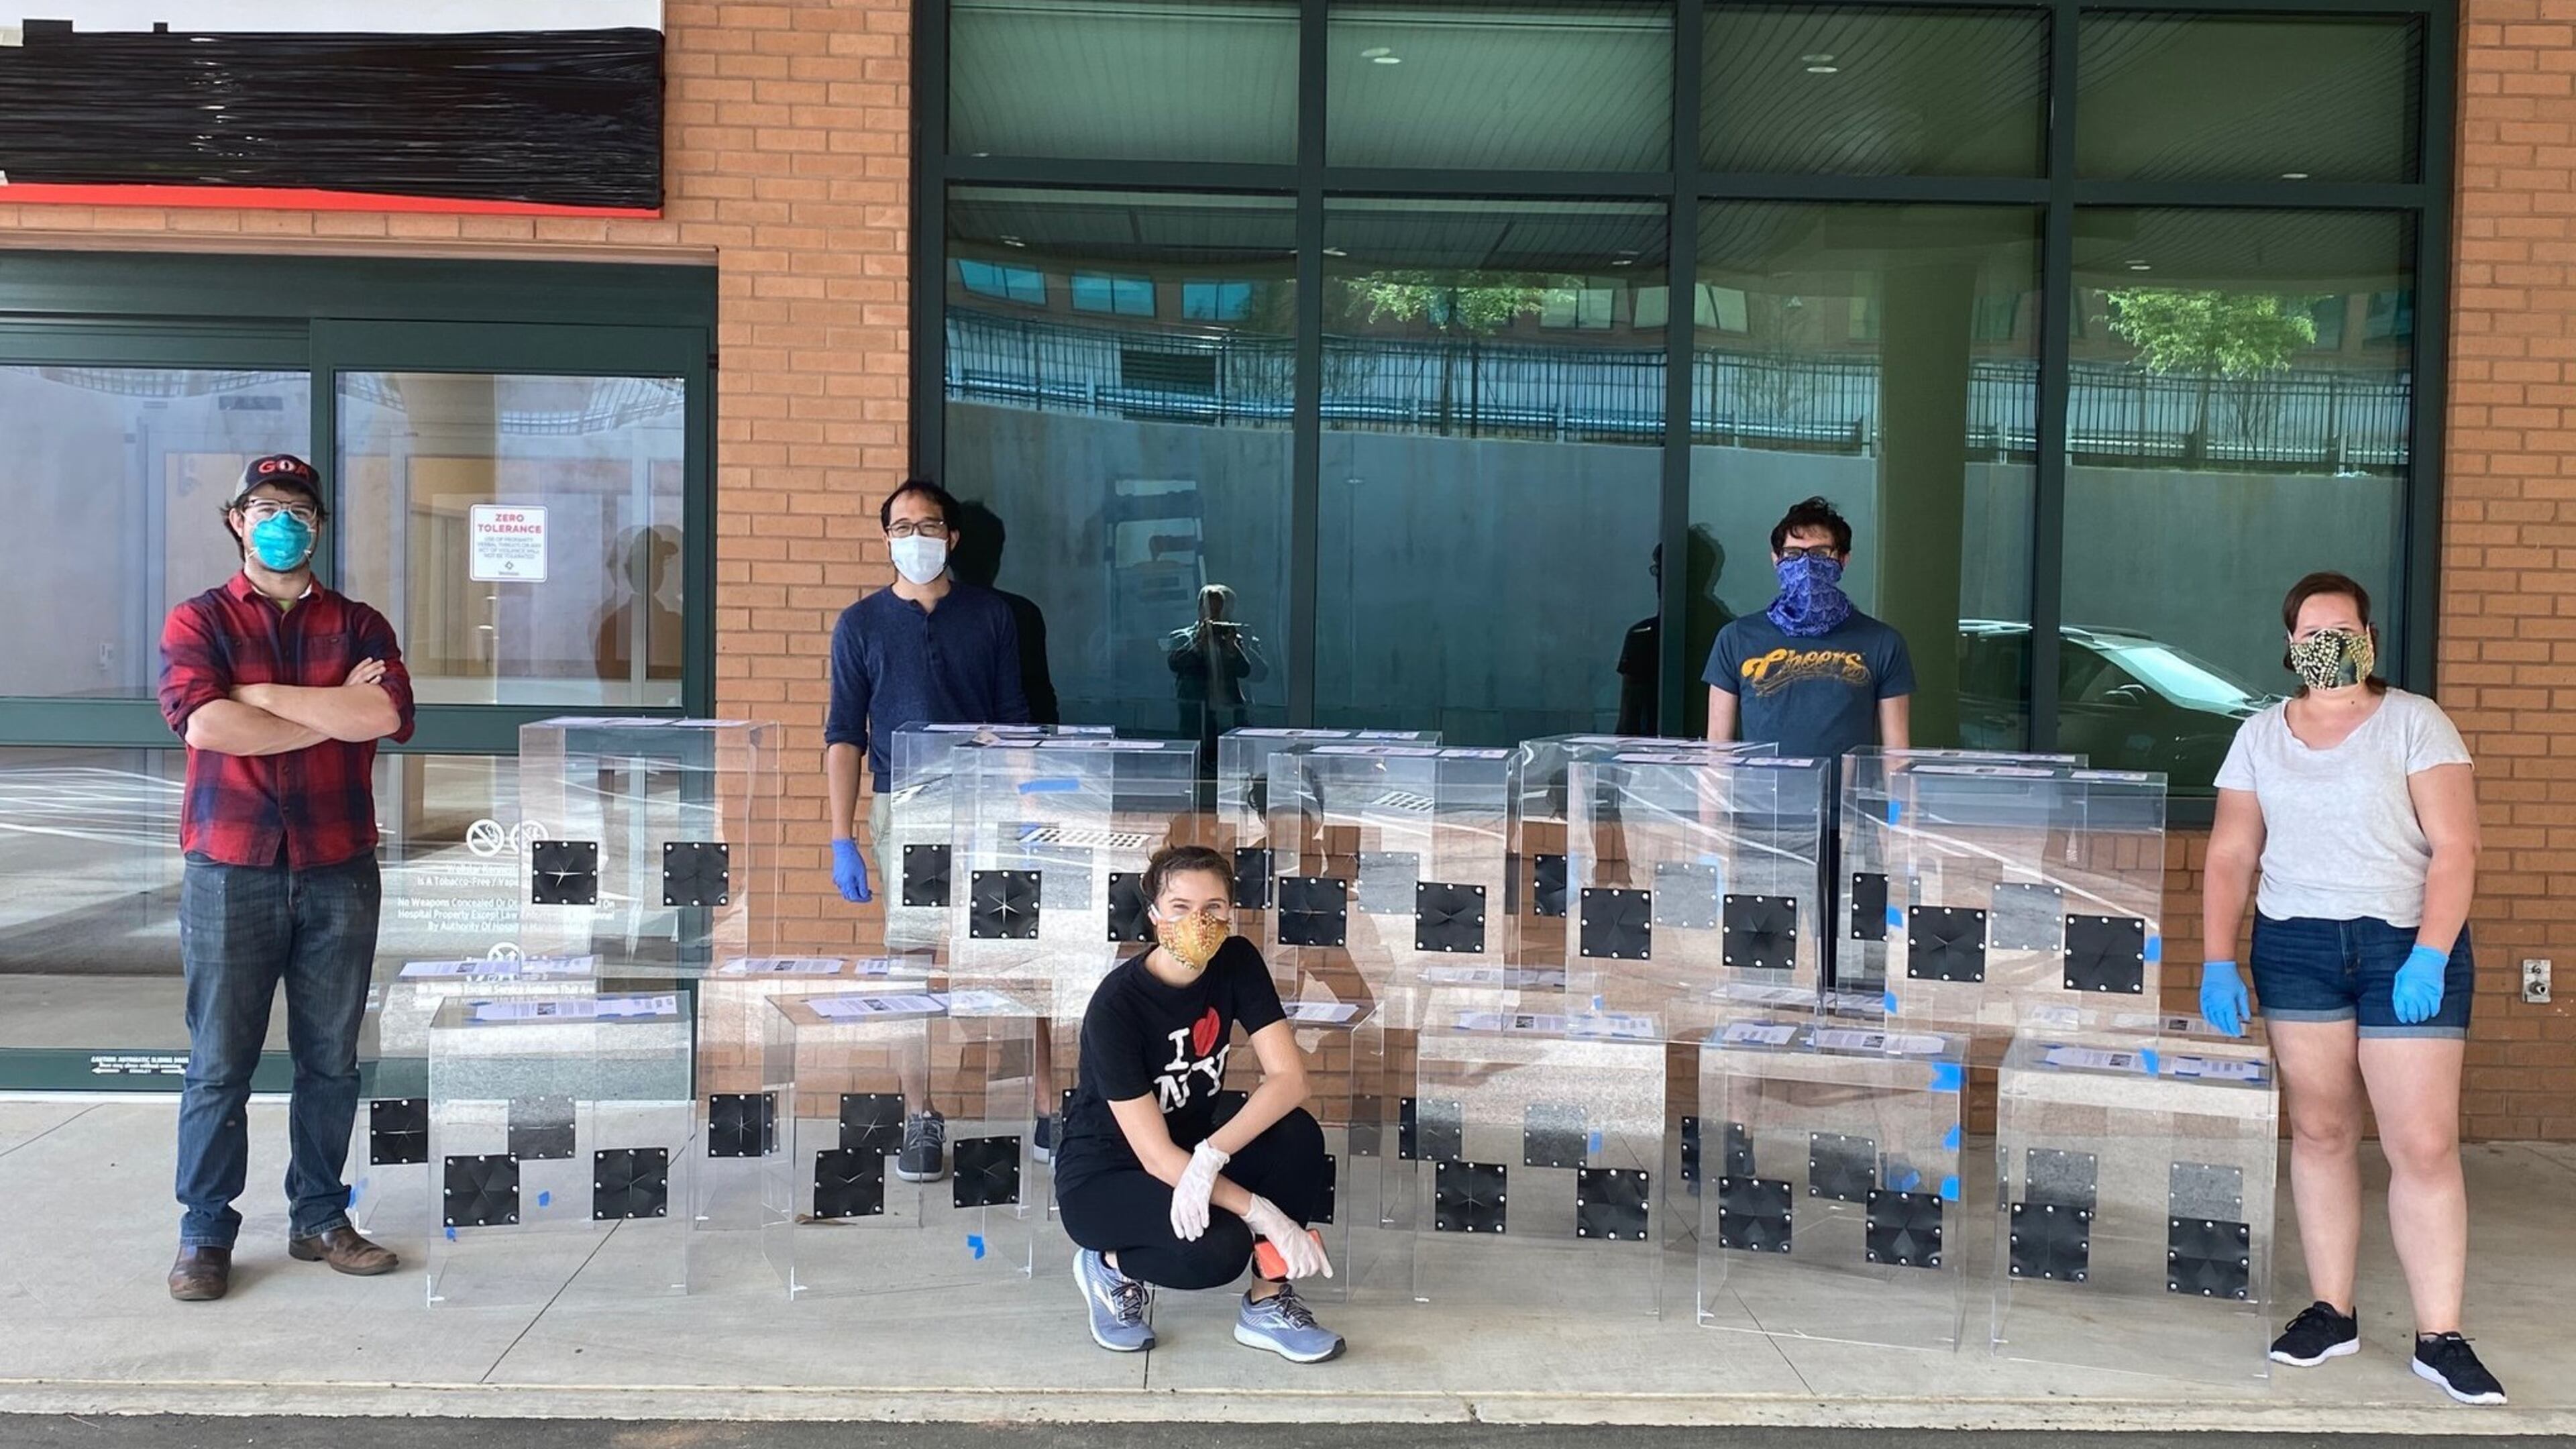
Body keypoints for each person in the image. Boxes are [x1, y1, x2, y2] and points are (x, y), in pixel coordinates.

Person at [2200, 572, 2502, 1406]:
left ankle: (2441, 1335)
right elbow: (2230, 853)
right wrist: (2217, 956)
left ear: (2368, 637)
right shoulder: (2261, 736)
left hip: (2402, 943)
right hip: (2295, 946)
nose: (2330, 642)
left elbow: (2457, 849)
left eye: (2346, 628)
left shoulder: (2415, 723)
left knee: (2423, 1144)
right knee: (2325, 1130)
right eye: (2314, 630)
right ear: (2291, 645)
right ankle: (2333, 1312)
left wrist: (2431, 955)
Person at [156, 453, 417, 1302]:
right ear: (236, 519)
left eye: (298, 510)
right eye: (266, 506)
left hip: (339, 867)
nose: (283, 521)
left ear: (318, 526)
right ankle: (204, 1234)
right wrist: (323, 712)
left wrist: (262, 693)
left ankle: (319, 1217)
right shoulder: (197, 621)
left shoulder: (360, 624)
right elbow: (209, 728)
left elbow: (381, 714)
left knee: (331, 1060)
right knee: (219, 1063)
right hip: (232, 870)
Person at [1055, 845, 1343, 1364]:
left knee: (1296, 1134)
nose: (1199, 921)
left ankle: (1268, 1303)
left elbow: (1290, 1081)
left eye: (1214, 908)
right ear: (1154, 915)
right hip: (1108, 1175)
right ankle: (1110, 1266)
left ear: (1231, 912)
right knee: (1220, 1250)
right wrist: (1264, 1214)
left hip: (1190, 1151)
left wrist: (1210, 1156)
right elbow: (1156, 1157)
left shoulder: (1235, 962)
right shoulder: (1116, 1007)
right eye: (1182, 907)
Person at [824, 477, 1029, 1181]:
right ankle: (920, 1116)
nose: (918, 537)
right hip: (906, 811)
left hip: (987, 809)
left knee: (1020, 957)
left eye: (930, 525)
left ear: (954, 537)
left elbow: (1015, 722)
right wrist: (841, 835)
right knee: (911, 964)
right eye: (903, 526)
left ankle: (1046, 1108)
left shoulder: (994, 616)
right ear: (886, 537)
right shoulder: (861, 625)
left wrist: (1023, 812)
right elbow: (844, 735)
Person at [1703, 496, 1913, 757]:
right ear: (1776, 559)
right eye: (1793, 554)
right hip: (1763, 796)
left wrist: (1898, 800)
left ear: (1843, 560)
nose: (1806, 565)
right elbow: (1716, 751)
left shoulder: (1882, 642)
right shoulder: (1736, 639)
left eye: (1820, 554)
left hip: (1843, 797)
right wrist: (1711, 799)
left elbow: (1897, 755)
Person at [1166, 583, 1269, 751]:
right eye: (1212, 610)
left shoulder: (1238, 639)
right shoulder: (1182, 638)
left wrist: (1237, 647)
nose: (1218, 616)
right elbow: (1176, 664)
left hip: (1233, 716)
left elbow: (1257, 673)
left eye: (1223, 611)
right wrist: (1199, 643)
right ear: (1201, 610)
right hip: (1197, 718)